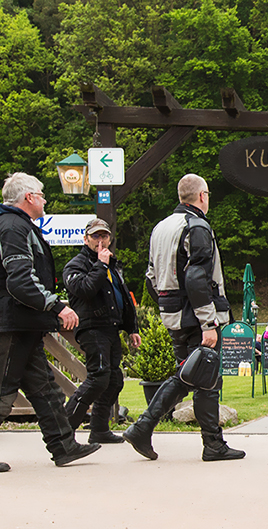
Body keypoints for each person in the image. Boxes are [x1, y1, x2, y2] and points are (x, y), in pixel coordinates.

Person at [123, 174, 245, 462]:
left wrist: (168, 305)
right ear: (202, 196)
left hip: (174, 314)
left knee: (193, 375)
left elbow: (151, 277)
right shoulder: (197, 226)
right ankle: (202, 442)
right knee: (204, 378)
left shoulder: (161, 228)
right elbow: (196, 276)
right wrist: (208, 322)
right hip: (197, 317)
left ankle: (206, 441)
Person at [0, 172, 101, 470]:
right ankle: (63, 444)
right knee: (3, 387)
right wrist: (57, 307)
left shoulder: (18, 226)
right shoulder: (13, 228)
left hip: (23, 323)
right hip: (12, 324)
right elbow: (19, 281)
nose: (45, 200)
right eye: (42, 195)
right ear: (29, 198)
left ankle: (64, 446)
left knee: (44, 387)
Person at [63, 218, 142, 443]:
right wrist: (100, 264)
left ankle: (99, 429)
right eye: (96, 236)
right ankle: (63, 430)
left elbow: (123, 298)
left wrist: (131, 328)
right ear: (86, 239)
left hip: (111, 328)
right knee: (98, 377)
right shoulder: (77, 265)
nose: (100, 241)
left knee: (115, 379)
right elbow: (85, 289)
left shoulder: (112, 266)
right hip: (91, 327)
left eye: (104, 236)